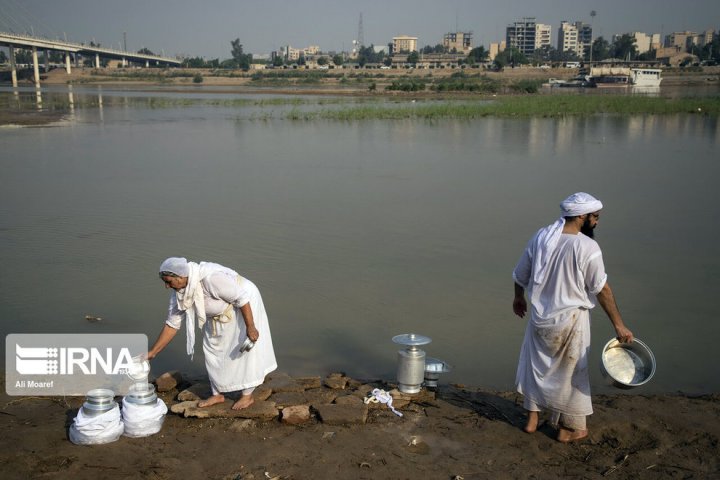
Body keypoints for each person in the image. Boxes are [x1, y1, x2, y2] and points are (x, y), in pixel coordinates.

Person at [512, 192, 634, 443]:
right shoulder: (586, 247)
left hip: (539, 319)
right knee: (571, 372)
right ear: (582, 216)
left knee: (536, 368)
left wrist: (518, 298)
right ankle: (570, 428)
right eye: (595, 217)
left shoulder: (542, 238)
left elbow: (519, 274)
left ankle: (532, 421)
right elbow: (602, 289)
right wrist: (619, 325)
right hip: (571, 322)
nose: (597, 222)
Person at [148, 257, 277, 410]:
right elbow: (172, 325)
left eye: (169, 282)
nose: (166, 286)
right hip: (217, 311)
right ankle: (217, 394)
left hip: (245, 301)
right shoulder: (180, 294)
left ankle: (247, 395)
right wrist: (153, 352)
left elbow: (241, 298)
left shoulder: (211, 279)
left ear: (181, 277)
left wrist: (251, 327)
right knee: (212, 349)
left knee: (243, 346)